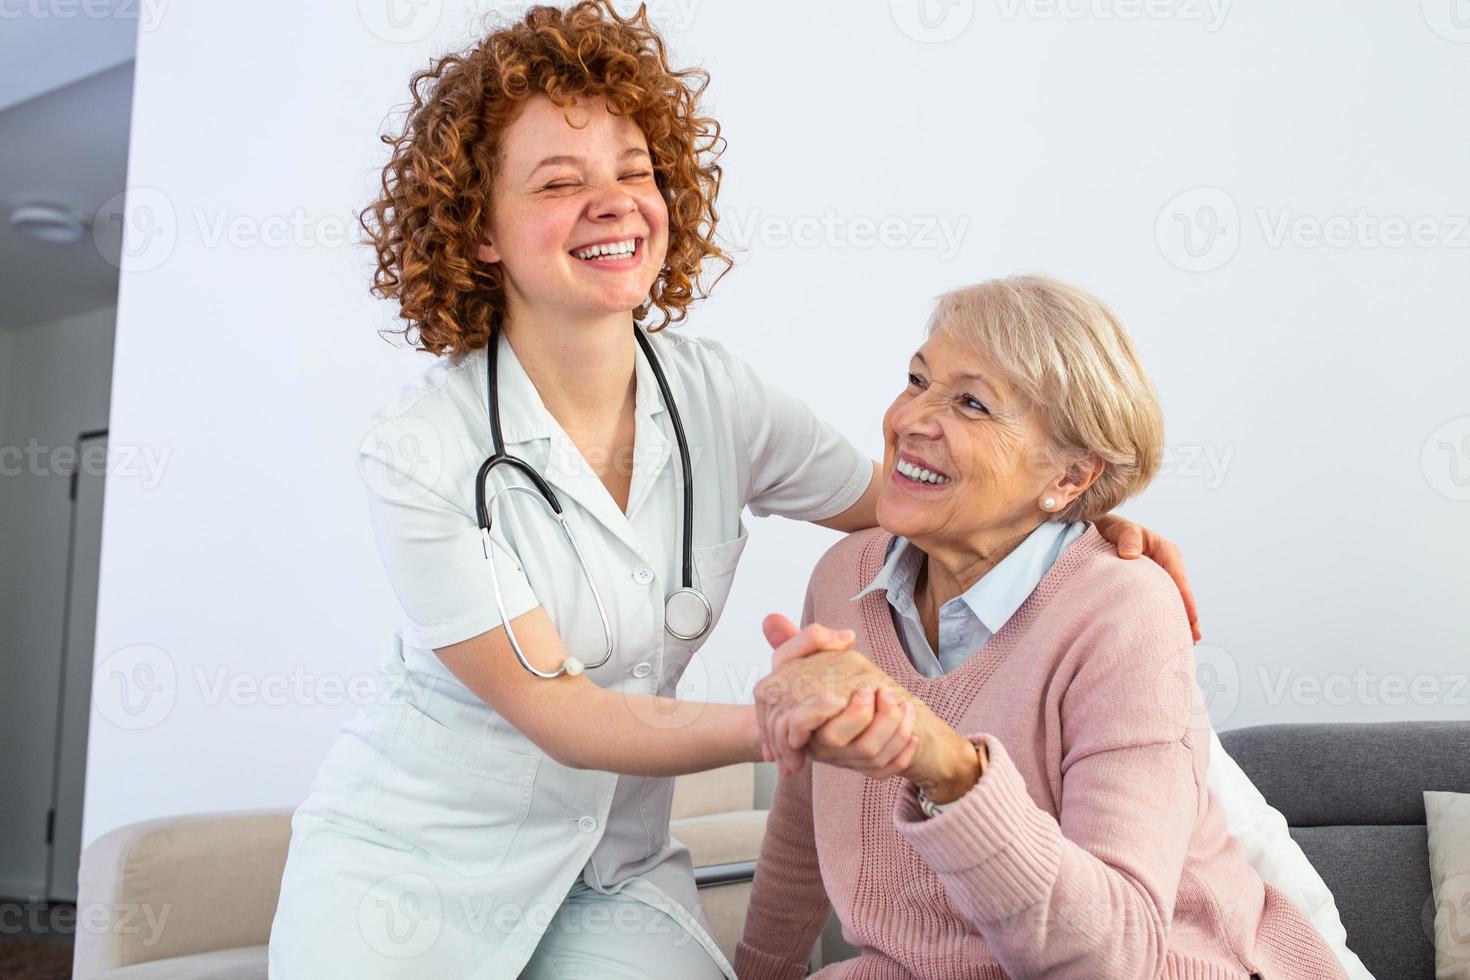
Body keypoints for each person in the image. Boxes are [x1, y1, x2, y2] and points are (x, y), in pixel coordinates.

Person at [265, 6, 1194, 978]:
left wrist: (1076, 524)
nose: (615, 201)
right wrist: (786, 716)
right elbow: (567, 714)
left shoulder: (718, 399)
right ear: (481, 231)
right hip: (411, 874)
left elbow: (912, 495)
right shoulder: (423, 451)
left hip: (609, 874)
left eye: (634, 169)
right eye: (558, 181)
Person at [736, 276, 1349, 979]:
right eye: (916, 380)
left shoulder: (1123, 612)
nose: (910, 418)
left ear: (1068, 476)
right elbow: (801, 830)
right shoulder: (844, 579)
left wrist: (951, 770)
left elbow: (1112, 959)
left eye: (971, 402)